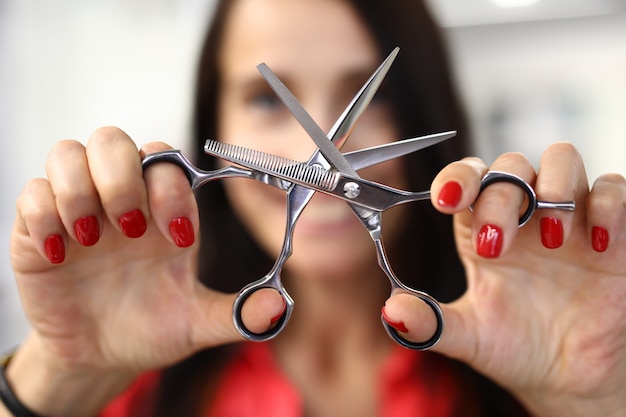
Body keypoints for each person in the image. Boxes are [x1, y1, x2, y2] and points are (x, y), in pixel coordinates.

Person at [2, 0, 625, 416]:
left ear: (424, 114)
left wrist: (595, 399)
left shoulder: (527, 359)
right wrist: (60, 374)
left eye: (367, 96)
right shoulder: (132, 374)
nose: (320, 144)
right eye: (269, 100)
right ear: (212, 120)